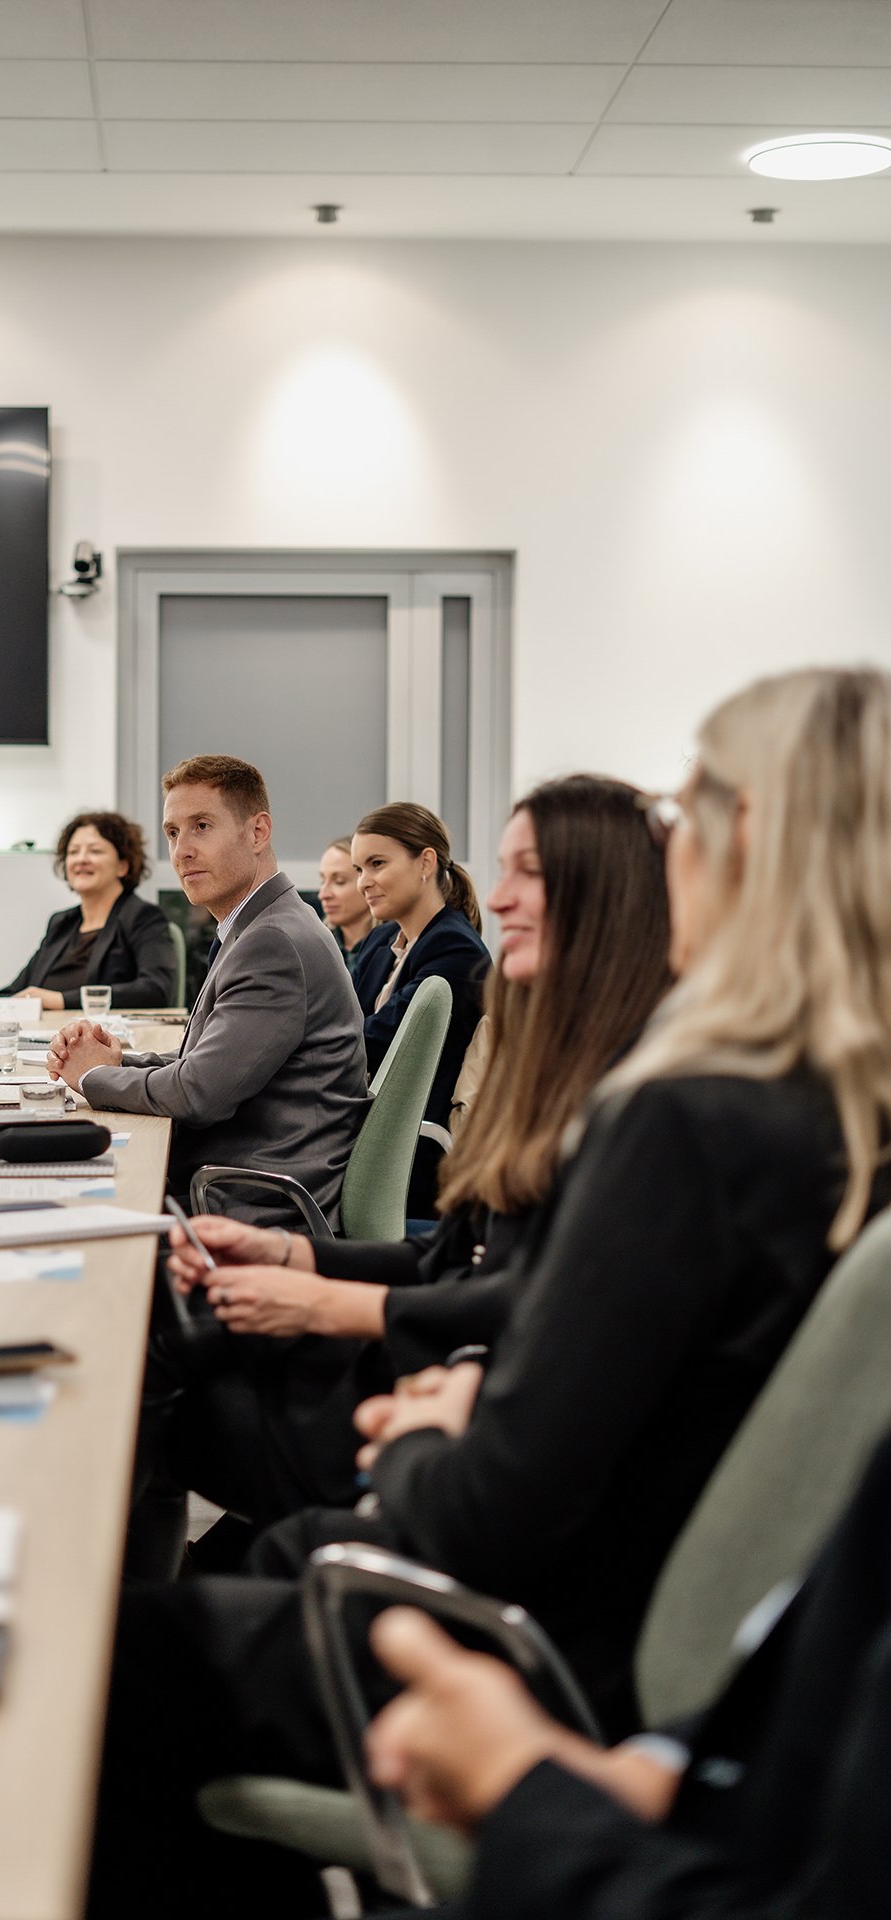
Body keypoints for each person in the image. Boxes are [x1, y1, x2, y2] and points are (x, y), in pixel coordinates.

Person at [87, 668, 891, 1917]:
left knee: (85, 1679)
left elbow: (493, 1504)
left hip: (521, 1648)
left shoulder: (686, 1120)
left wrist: (425, 1431)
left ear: (748, 842)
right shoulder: (830, 1119)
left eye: (684, 813)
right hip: (632, 1646)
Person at [156, 776, 673, 1537]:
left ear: (611, 892)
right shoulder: (565, 1055)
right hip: (428, 1350)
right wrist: (291, 1255)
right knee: (157, 1351)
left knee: (152, 1371)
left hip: (437, 1395)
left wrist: (323, 1302)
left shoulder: (644, 1098)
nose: (498, 898)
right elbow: (466, 1257)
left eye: (529, 873)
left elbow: (543, 1312)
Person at [364, 1424, 891, 1919]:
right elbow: (835, 1668)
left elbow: (485, 1516)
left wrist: (515, 1785)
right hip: (677, 1837)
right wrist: (657, 1764)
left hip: (555, 1659)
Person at [47, 755, 369, 1229]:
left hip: (253, 1205)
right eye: (173, 833)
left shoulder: (272, 942)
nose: (182, 851)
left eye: (201, 826)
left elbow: (197, 1094)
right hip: (237, 1182)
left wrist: (93, 1077)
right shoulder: (261, 925)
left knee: (66, 1213)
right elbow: (204, 1063)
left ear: (258, 832)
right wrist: (116, 1062)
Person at [349, 804, 490, 1218]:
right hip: (364, 1130)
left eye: (377, 864)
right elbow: (343, 1026)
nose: (363, 882)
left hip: (407, 1156)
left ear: (425, 862)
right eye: (359, 869)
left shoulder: (456, 951)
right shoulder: (380, 943)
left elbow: (369, 1046)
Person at [0, 809, 176, 1010]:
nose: (81, 859)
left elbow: (156, 989)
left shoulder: (142, 917)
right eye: (73, 852)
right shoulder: (61, 923)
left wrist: (61, 1001)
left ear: (123, 866)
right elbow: (16, 992)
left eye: (95, 851)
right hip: (44, 1029)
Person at [317, 836, 382, 975]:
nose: (323, 894)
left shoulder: (396, 950)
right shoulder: (313, 949)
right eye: (322, 881)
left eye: (339, 881)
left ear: (366, 883)